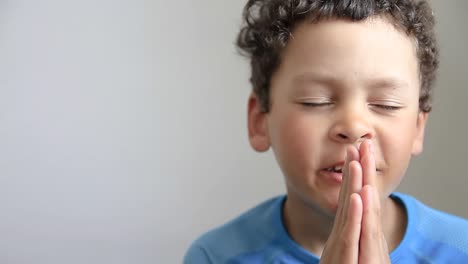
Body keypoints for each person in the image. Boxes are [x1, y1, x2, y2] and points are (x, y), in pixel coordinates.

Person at [184, 0, 468, 263]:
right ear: (260, 120)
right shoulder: (215, 256)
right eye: (315, 101)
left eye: (386, 104)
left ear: (418, 128)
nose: (354, 127)